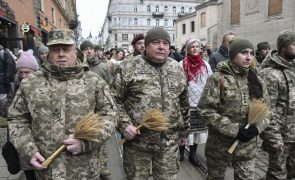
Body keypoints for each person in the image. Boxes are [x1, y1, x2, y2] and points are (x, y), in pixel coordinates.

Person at [7, 29, 118, 179]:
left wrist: (86, 142)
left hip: (84, 170)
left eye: (66, 49)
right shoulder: (30, 84)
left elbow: (110, 115)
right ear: (48, 53)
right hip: (46, 170)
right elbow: (17, 118)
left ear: (75, 51)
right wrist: (29, 150)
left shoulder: (95, 82)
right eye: (55, 49)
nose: (61, 54)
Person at [112, 27, 189, 179]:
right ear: (146, 46)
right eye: (156, 42)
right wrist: (124, 125)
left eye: (166, 43)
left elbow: (183, 102)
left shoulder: (176, 68)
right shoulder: (128, 67)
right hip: (138, 144)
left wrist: (184, 131)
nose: (161, 46)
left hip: (168, 144)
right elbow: (114, 100)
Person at [197, 37, 270, 179]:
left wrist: (257, 128)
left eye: (251, 53)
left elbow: (267, 109)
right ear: (233, 54)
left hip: (247, 149)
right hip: (219, 147)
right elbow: (205, 110)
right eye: (244, 53)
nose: (249, 57)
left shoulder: (257, 80)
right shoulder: (218, 78)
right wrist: (234, 130)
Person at [259, 31, 295, 180]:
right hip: (281, 136)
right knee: (277, 174)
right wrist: (273, 138)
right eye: (294, 44)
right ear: (283, 47)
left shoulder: (293, 69)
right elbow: (265, 109)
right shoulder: (270, 74)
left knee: (292, 173)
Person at [4, 51, 39, 180]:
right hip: (22, 132)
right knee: (27, 166)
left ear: (34, 71)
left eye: (27, 72)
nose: (23, 75)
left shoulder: (41, 86)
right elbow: (7, 107)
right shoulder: (15, 86)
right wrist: (16, 114)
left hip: (37, 132)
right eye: (21, 72)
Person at [80, 40, 112, 177]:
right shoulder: (78, 65)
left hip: (99, 105)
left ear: (93, 50)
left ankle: (103, 164)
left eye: (90, 49)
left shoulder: (103, 66)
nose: (88, 51)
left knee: (99, 135)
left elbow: (109, 85)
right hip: (83, 106)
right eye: (85, 49)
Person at [179, 38, 213, 166]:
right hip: (186, 103)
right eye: (192, 46)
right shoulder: (181, 64)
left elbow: (210, 82)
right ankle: (181, 152)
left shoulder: (205, 64)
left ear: (200, 49)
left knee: (198, 131)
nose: (195, 49)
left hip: (200, 103)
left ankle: (193, 154)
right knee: (185, 129)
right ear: (187, 49)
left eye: (197, 46)